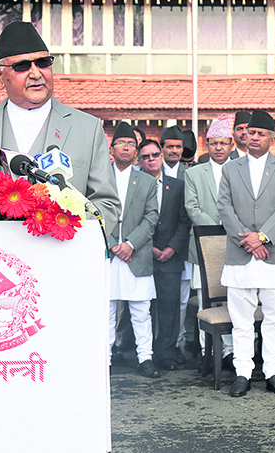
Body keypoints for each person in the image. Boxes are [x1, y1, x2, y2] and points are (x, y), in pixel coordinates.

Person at [0, 21, 120, 231]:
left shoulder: (87, 128)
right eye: (22, 66)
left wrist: (65, 225)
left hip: (62, 254)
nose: (36, 73)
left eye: (43, 63)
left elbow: (107, 207)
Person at [216, 110, 275, 397]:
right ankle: (243, 372)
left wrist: (262, 237)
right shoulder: (230, 168)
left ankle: (273, 371)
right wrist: (248, 241)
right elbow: (224, 208)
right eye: (251, 133)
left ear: (272, 139)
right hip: (241, 255)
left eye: (261, 134)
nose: (255, 138)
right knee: (241, 320)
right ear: (245, 135)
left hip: (274, 254)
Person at [107, 122, 160, 378]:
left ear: (136, 151)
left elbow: (152, 218)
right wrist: (111, 244)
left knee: (141, 311)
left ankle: (145, 358)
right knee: (106, 310)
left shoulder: (147, 182)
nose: (126, 148)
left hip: (135, 254)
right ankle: (103, 358)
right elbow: (88, 213)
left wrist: (129, 244)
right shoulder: (99, 178)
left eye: (131, 144)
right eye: (121, 143)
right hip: (105, 255)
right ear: (111, 148)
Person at [184, 114, 235, 362]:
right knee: (206, 299)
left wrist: (233, 229)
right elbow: (192, 208)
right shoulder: (194, 173)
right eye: (214, 143)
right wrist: (218, 229)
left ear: (231, 145)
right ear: (207, 144)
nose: (218, 147)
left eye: (223, 143)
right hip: (204, 245)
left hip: (237, 245)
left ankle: (232, 351)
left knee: (234, 297)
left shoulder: (241, 171)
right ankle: (209, 352)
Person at [137, 140, 190, 370]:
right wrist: (147, 247)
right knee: (142, 308)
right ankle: (143, 354)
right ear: (139, 160)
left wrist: (172, 248)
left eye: (155, 155)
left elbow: (184, 219)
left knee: (170, 307)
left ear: (161, 157)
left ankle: (166, 353)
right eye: (146, 156)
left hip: (171, 255)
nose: (151, 159)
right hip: (141, 255)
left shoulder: (177, 186)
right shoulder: (134, 184)